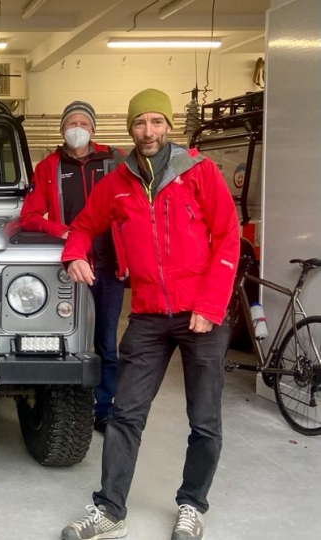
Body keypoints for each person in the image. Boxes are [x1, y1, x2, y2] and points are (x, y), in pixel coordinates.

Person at [59, 89, 239, 540]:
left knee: (204, 419)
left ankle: (192, 505)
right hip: (148, 315)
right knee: (125, 415)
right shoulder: (117, 181)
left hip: (201, 314)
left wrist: (210, 305)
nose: (148, 131)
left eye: (157, 122)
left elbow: (227, 237)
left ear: (169, 126)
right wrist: (74, 255)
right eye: (141, 123)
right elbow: (83, 225)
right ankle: (110, 510)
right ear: (130, 129)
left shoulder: (198, 172)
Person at [20, 100, 126, 433]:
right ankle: (71, 407)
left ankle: (105, 408)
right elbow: (30, 217)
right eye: (70, 123)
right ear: (62, 129)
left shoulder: (115, 161)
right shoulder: (48, 167)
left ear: (93, 128)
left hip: (108, 265)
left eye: (83, 122)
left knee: (107, 342)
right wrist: (62, 231)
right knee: (68, 341)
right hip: (71, 266)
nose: (76, 128)